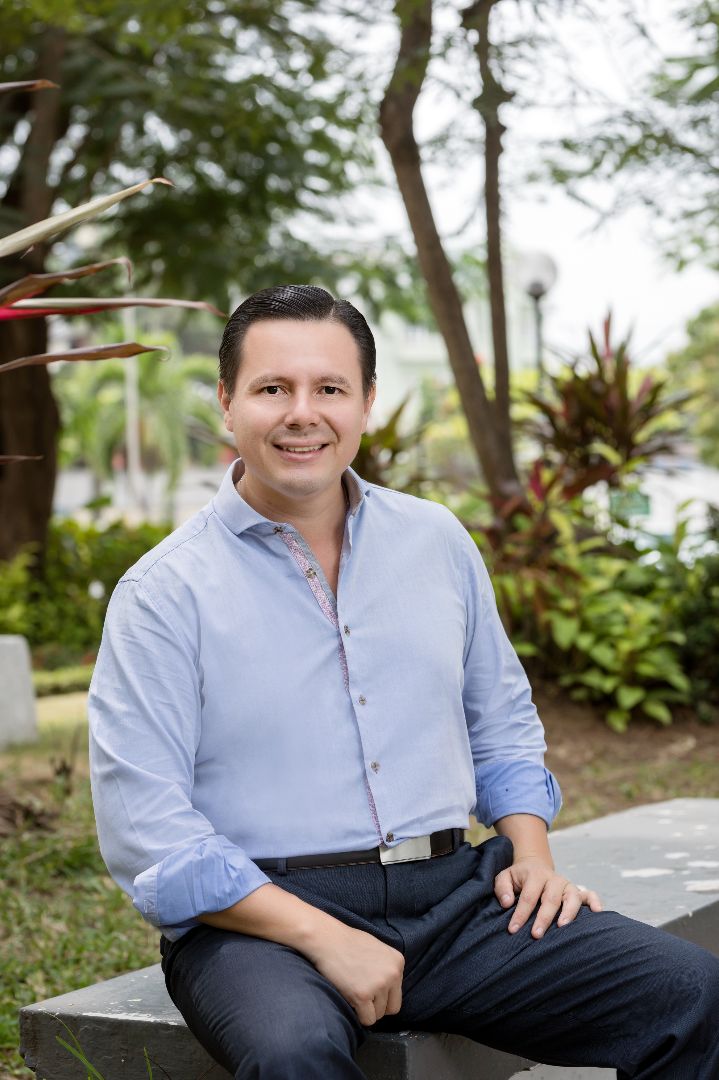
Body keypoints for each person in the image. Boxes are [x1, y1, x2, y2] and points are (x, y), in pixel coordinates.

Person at [89, 284, 719, 1080]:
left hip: (458, 899)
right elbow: (148, 834)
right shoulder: (163, 593)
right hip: (257, 922)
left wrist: (529, 851)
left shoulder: (436, 542)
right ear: (226, 402)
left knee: (689, 991)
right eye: (272, 388)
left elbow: (499, 720)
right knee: (293, 1054)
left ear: (367, 402)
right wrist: (324, 937)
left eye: (329, 389)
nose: (301, 413)